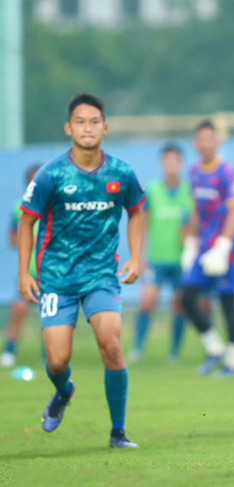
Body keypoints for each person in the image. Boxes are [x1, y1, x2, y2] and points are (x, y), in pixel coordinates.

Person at [18, 93, 145, 448]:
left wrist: (136, 257)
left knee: (112, 344)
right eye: (80, 122)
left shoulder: (121, 172)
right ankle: (63, 390)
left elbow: (137, 210)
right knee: (58, 361)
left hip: (101, 274)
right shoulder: (51, 174)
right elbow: (27, 222)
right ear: (68, 128)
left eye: (93, 122)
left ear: (105, 128)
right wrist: (24, 273)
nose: (87, 128)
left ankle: (118, 432)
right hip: (56, 278)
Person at [180, 120, 234, 376]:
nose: (206, 144)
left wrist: (224, 244)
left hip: (226, 248)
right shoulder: (195, 172)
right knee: (187, 298)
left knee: (227, 302)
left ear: (217, 142)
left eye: (210, 139)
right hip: (203, 247)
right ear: (195, 143)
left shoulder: (227, 172)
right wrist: (190, 242)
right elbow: (196, 210)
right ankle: (214, 349)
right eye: (201, 139)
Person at [130, 144, 192, 364]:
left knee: (179, 304)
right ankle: (137, 349)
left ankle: (174, 353)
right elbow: (142, 224)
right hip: (156, 259)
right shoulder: (152, 190)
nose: (171, 165)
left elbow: (194, 225)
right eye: (167, 161)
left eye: (175, 161)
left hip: (181, 260)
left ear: (181, 163)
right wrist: (138, 256)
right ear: (162, 164)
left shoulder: (190, 191)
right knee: (147, 301)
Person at [0, 165, 42, 368]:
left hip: (51, 272)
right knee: (18, 311)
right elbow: (11, 239)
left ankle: (49, 356)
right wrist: (25, 239)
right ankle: (9, 351)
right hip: (28, 272)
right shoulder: (19, 207)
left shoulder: (55, 207)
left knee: (51, 316)